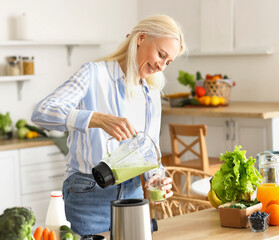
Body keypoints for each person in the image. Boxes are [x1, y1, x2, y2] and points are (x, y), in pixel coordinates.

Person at [31, 14, 186, 235]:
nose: (161, 66)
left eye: (168, 62)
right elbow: (42, 111)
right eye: (161, 55)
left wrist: (156, 178)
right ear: (141, 38)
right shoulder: (93, 74)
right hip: (88, 194)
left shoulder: (151, 92)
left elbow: (148, 150)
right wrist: (97, 119)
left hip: (133, 193)